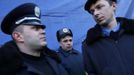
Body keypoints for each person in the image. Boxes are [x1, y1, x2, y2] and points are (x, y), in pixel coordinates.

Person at [0, 3, 69, 75]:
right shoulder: (11, 70)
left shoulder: (55, 60)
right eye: (36, 28)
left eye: (42, 28)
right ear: (18, 36)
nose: (43, 31)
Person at [82, 0, 134, 75]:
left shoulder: (132, 31)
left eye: (99, 7)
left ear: (113, 6)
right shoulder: (88, 45)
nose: (95, 13)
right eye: (92, 11)